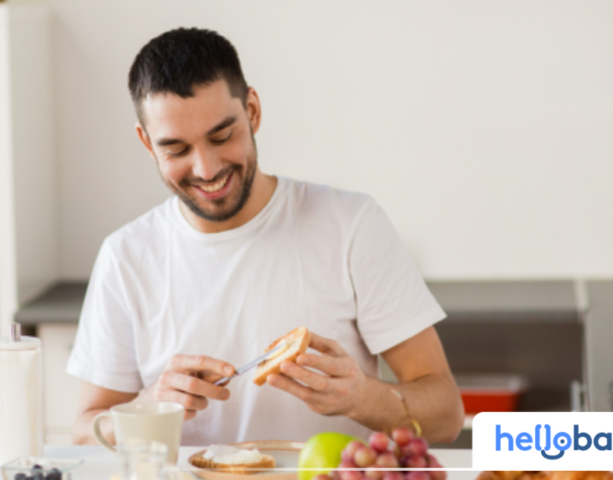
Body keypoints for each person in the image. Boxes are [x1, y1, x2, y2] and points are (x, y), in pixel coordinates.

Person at [68, 27, 464, 446]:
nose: (206, 169)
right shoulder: (126, 256)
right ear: (147, 143)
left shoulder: (351, 224)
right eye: (177, 150)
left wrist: (362, 397)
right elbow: (81, 433)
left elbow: (446, 415)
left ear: (252, 111)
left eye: (222, 136)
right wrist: (147, 407)